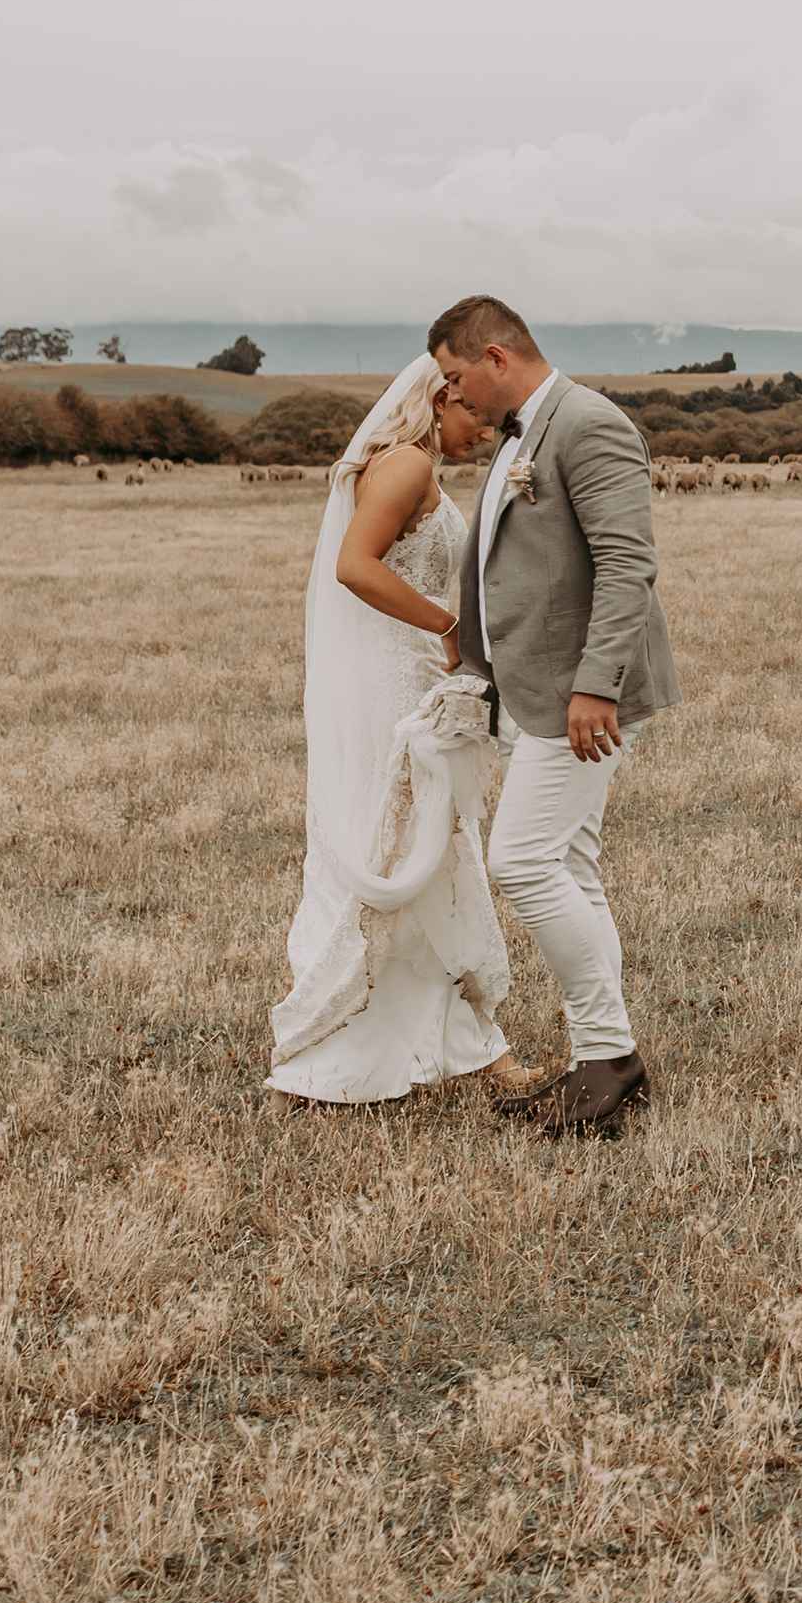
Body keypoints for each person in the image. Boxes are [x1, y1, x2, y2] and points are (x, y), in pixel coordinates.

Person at [430, 295, 680, 1139]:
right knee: (570, 866)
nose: (455, 398)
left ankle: (610, 1059)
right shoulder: (520, 436)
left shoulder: (587, 424)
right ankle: (599, 1063)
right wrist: (469, 649)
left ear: (497, 358)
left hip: (585, 696)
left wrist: (597, 685)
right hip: (539, 690)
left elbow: (626, 562)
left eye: (458, 378)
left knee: (524, 861)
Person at [267, 358, 523, 1105]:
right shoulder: (404, 463)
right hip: (387, 680)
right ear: (444, 397)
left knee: (430, 842)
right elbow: (355, 566)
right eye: (480, 415)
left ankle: (462, 1041)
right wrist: (447, 627)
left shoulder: (422, 467)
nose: (487, 431)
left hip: (411, 671)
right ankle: (359, 1043)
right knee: (401, 838)